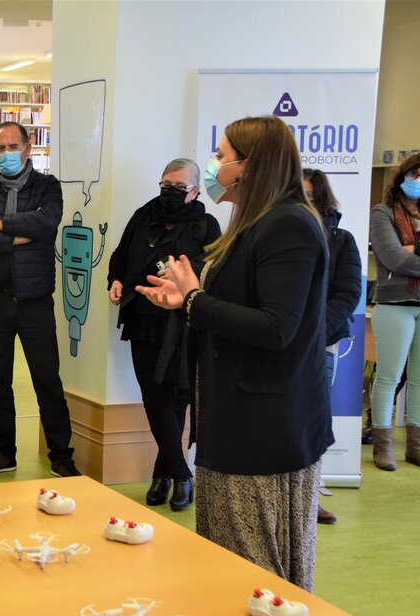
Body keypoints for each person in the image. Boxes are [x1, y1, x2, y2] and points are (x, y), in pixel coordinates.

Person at [137, 116, 332, 591]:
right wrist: (187, 300)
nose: (214, 165)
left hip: (264, 426)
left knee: (255, 577)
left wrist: (195, 301)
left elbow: (277, 327)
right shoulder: (255, 222)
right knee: (227, 567)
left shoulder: (288, 225)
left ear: (251, 166)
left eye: (221, 155)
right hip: (236, 414)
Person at [0, 121, 80, 478]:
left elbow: (46, 223)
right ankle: (2, 453)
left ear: (28, 148)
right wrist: (15, 237)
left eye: (13, 146)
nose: (7, 153)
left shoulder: (47, 186)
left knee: (47, 381)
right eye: (0, 148)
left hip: (33, 301)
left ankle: (61, 455)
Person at [107, 159, 220, 510]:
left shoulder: (206, 226)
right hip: (142, 318)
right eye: (165, 186)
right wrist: (115, 280)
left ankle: (163, 475)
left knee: (176, 399)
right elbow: (120, 256)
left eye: (179, 188)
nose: (170, 192)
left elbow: (214, 271)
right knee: (154, 398)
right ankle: (182, 474)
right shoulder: (143, 216)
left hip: (183, 323)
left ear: (195, 191)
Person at [367, 152, 420, 472]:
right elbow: (392, 258)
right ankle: (382, 447)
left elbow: (408, 256)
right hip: (394, 304)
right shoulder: (382, 212)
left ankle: (416, 447)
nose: (419, 181)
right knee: (389, 377)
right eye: (414, 174)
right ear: (402, 175)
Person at [302, 168, 363, 525]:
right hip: (279, 344)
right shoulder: (275, 236)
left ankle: (310, 495)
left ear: (323, 200)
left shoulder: (342, 241)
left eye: (310, 196)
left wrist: (315, 332)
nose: (303, 202)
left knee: (313, 421)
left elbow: (348, 293)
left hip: (321, 345)